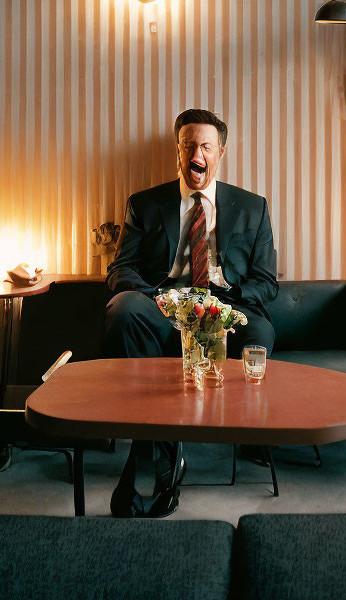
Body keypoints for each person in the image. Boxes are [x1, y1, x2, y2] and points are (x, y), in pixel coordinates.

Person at [104, 108, 278, 518]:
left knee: (262, 334)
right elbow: (120, 270)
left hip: (224, 307)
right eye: (188, 146)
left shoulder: (253, 207)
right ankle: (152, 440)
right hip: (163, 306)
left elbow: (267, 282)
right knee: (123, 308)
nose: (196, 155)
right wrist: (158, 298)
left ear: (220, 152)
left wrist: (230, 294)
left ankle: (246, 436)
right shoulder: (144, 204)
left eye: (205, 146)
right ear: (177, 152)